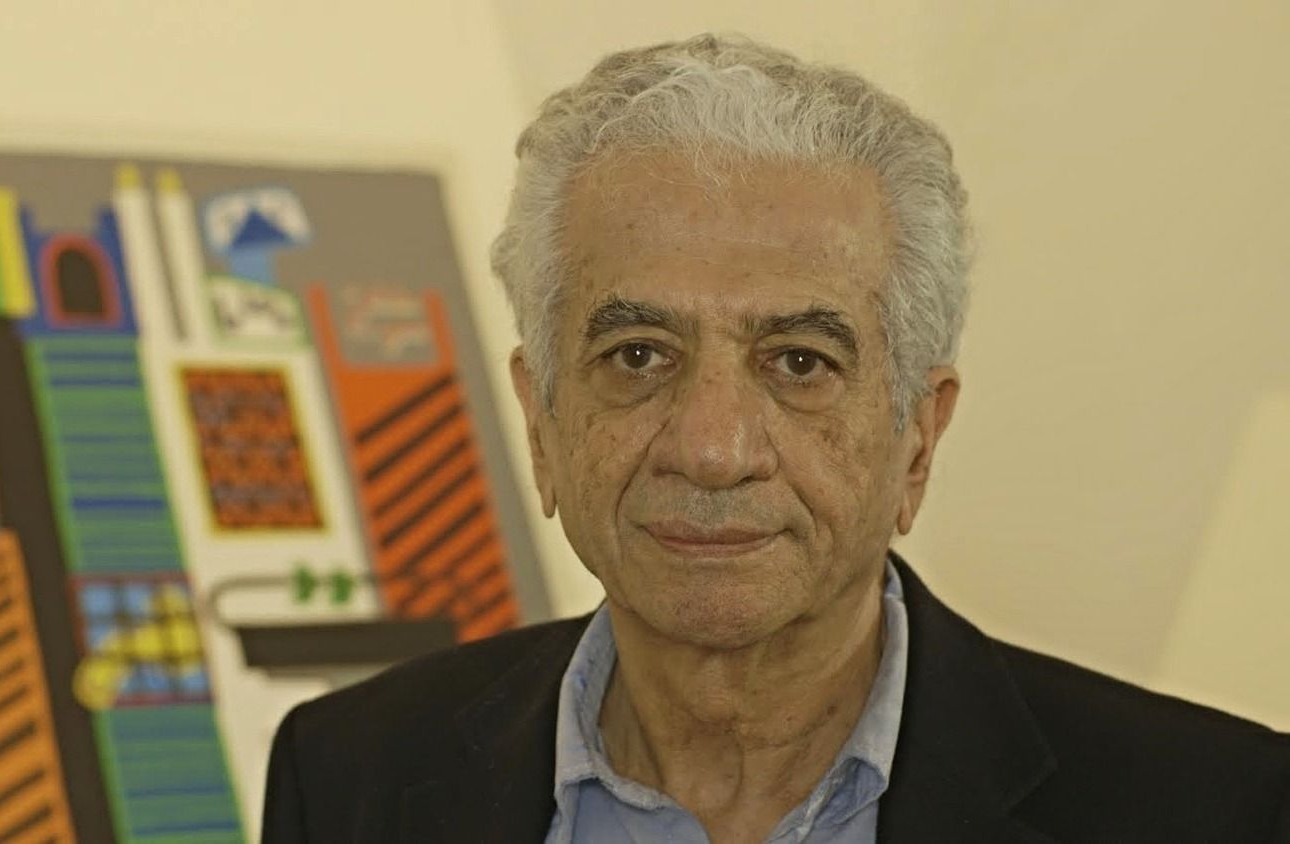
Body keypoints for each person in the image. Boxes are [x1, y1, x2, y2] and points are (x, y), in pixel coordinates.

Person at [262, 34, 1290, 843]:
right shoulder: (352, 775)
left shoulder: (1214, 809)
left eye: (799, 361)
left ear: (918, 438)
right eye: (637, 355)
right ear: (541, 421)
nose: (712, 449)